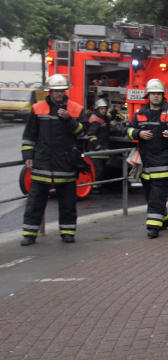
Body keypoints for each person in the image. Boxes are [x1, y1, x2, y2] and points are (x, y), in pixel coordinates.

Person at [20, 74, 86, 245]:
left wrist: (69, 120)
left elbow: (83, 133)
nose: (58, 94)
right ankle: (29, 234)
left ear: (66, 91)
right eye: (55, 91)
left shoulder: (76, 109)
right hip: (42, 163)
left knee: (67, 202)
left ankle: (67, 232)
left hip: (65, 163)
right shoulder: (37, 108)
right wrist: (27, 156)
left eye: (61, 91)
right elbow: (29, 136)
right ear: (49, 92)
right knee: (35, 201)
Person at [126, 79, 168, 238]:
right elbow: (128, 129)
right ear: (148, 95)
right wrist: (138, 133)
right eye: (153, 94)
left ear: (163, 96)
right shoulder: (140, 114)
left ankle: (153, 227)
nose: (156, 96)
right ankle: (164, 219)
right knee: (150, 195)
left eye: (158, 94)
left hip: (163, 162)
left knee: (156, 195)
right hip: (145, 162)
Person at [85, 98, 111, 189]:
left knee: (101, 171)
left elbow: (109, 117)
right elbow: (91, 134)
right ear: (97, 109)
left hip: (102, 150)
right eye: (101, 109)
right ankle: (94, 188)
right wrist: (97, 145)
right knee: (97, 171)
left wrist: (115, 111)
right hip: (96, 151)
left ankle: (98, 187)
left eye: (105, 108)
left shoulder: (103, 117)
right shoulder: (95, 120)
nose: (104, 110)